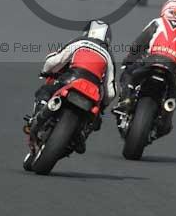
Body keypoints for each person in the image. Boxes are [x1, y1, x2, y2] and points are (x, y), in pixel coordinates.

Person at [25, 20, 117, 152]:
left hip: (71, 80)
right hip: (93, 93)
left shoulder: (80, 42)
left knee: (44, 91)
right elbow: (111, 91)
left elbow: (56, 60)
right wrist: (103, 105)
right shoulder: (108, 55)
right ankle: (82, 133)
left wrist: (45, 71)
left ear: (87, 32)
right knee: (95, 119)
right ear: (107, 39)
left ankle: (37, 117)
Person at [114, 0, 176, 138]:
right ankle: (165, 117)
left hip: (150, 62)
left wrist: (128, 61)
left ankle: (126, 99)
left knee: (128, 73)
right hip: (171, 70)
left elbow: (138, 44)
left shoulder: (157, 22)